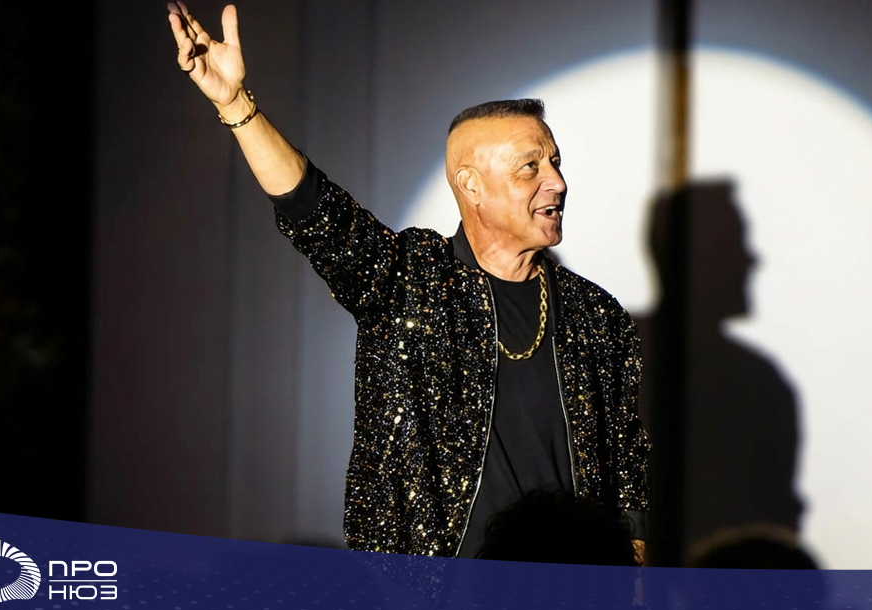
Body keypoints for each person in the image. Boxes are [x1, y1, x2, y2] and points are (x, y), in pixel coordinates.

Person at [166, 2, 650, 559]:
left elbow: (627, 471)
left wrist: (633, 582)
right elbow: (314, 208)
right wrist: (236, 105)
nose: (557, 182)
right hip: (437, 592)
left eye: (555, 163)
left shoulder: (595, 314)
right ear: (471, 185)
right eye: (530, 166)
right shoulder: (411, 279)